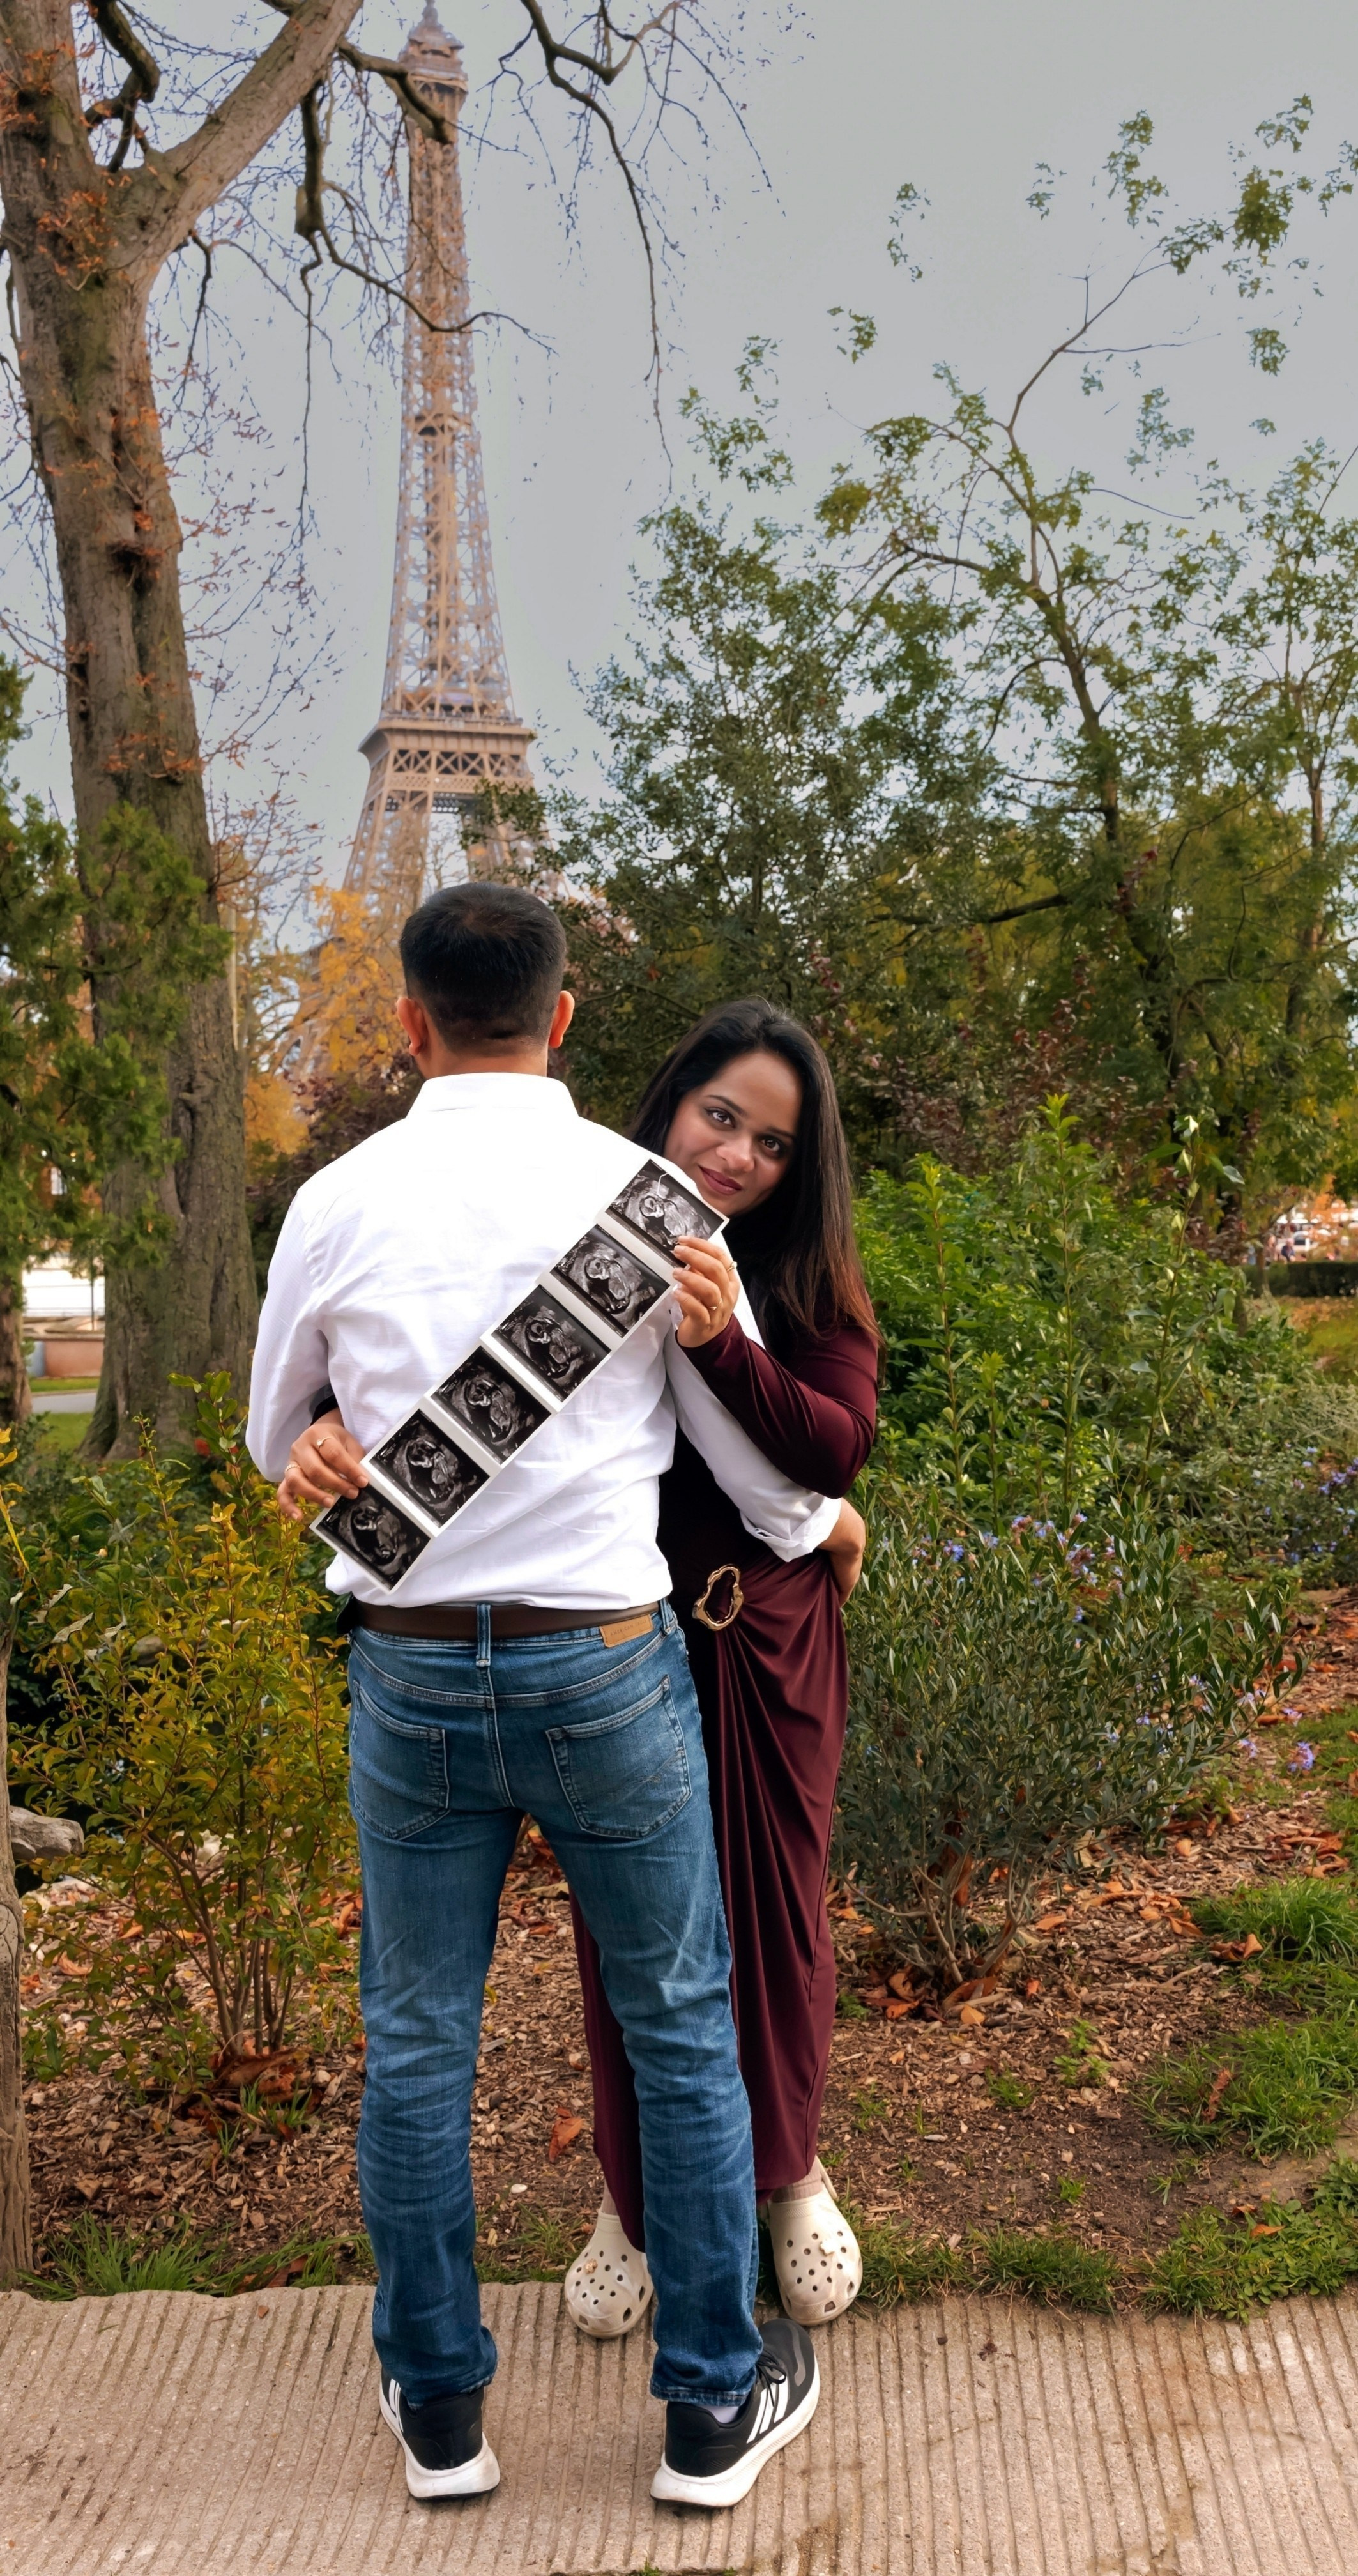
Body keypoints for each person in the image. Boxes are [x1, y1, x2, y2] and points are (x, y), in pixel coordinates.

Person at [250, 885, 836, 2514]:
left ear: (410, 1024)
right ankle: (711, 2413)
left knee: (418, 2048)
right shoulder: (648, 1201)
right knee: (680, 2034)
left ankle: (441, 2415)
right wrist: (818, 1526)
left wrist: (312, 1452)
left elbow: (272, 1441)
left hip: (415, 1668)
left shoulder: (334, 1201)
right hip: (603, 1668)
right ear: (565, 1019)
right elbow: (742, 1451)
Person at [563, 1001, 877, 2339]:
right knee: (628, 1928)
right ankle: (626, 2201)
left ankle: (789, 2174)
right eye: (719, 1117)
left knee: (777, 1916)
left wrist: (721, 1349)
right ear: (668, 1105)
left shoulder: (796, 1280)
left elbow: (833, 1444)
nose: (739, 1153)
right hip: (626, 1633)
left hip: (774, 1636)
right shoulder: (579, 1249)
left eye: (771, 1141)